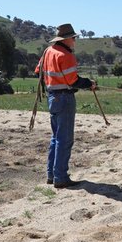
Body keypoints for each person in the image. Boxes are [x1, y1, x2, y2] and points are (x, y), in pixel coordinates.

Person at [35, 23, 96, 189]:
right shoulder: (66, 55)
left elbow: (37, 71)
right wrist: (88, 83)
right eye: (74, 38)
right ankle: (61, 177)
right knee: (65, 139)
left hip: (52, 97)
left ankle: (51, 175)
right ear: (68, 39)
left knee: (56, 138)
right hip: (64, 99)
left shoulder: (48, 51)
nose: (75, 41)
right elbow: (73, 80)